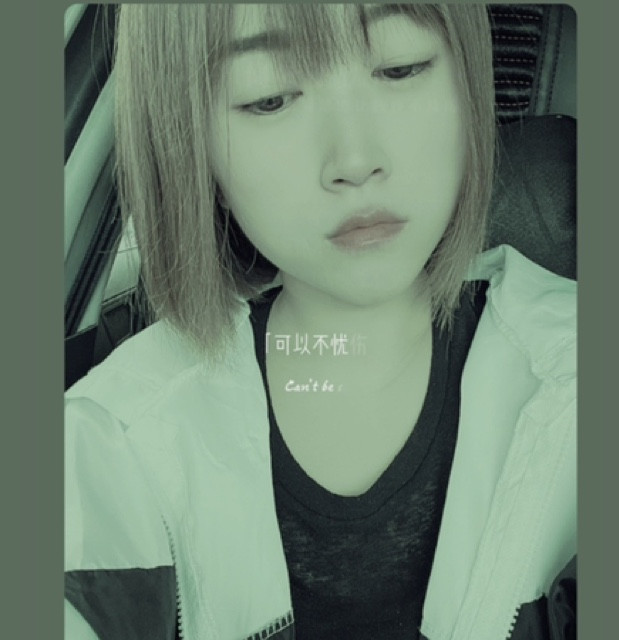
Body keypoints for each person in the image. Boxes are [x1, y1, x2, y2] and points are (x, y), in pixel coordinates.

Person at [64, 4, 576, 640]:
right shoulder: (112, 442)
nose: (355, 159)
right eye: (270, 98)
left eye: (400, 67)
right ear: (193, 145)